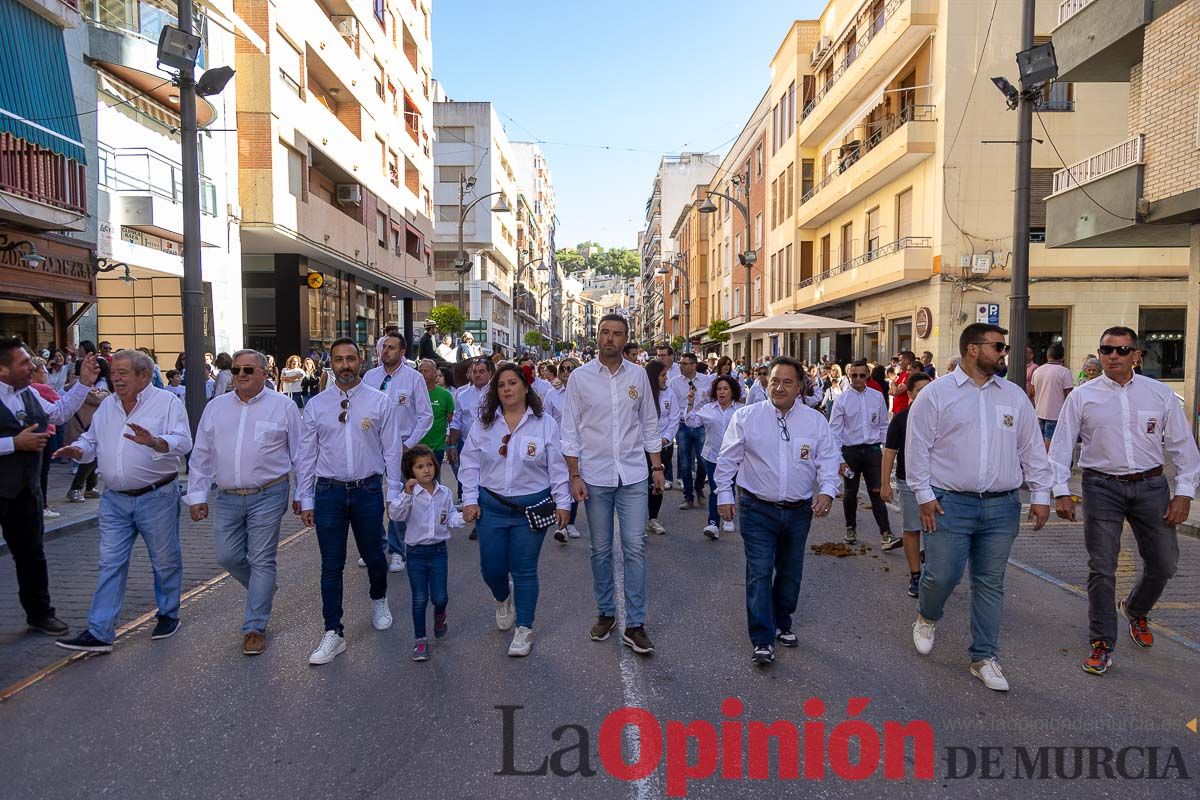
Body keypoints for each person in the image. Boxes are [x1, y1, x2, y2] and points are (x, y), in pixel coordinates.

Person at [906, 323, 1052, 691]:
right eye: (998, 346)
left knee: (990, 582)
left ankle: (983, 657)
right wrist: (924, 495)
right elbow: (917, 448)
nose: (1004, 353)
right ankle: (927, 615)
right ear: (973, 349)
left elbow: (1031, 447)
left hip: (1002, 506)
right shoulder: (937, 394)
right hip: (949, 504)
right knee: (942, 575)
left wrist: (1040, 494)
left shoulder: (1014, 396)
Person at [1049, 327, 1200, 676]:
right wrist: (1060, 491)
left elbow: (1183, 447)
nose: (1113, 356)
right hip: (1101, 488)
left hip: (1151, 486)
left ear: (1136, 355)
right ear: (1099, 354)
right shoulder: (1082, 397)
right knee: (1102, 567)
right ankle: (1102, 643)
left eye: (1122, 350)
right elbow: (1061, 447)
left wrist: (1183, 493)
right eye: (1106, 350)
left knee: (1164, 564)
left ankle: (1135, 608)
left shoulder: (1159, 395)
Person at [54, 349, 191, 653]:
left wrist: (155, 441)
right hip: (114, 500)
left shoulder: (166, 402)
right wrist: (77, 450)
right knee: (110, 563)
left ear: (144, 375)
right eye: (113, 373)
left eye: (123, 373)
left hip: (157, 496)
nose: (115, 378)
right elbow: (92, 441)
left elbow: (183, 441)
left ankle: (168, 613)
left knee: (164, 560)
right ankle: (100, 631)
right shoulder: (107, 407)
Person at [715, 356, 838, 664]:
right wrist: (723, 495)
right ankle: (762, 637)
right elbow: (727, 459)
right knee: (758, 571)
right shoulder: (746, 417)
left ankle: (783, 620)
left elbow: (828, 460)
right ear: (765, 383)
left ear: (800, 387)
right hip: (757, 508)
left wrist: (827, 491)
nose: (779, 387)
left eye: (787, 382)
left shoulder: (815, 421)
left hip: (798, 511)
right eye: (774, 381)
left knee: (790, 572)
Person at [185, 349, 301, 655]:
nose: (240, 376)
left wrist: (304, 495)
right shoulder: (216, 408)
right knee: (227, 557)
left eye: (248, 370)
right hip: (226, 497)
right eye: (236, 370)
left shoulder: (284, 407)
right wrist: (196, 495)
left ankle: (254, 627)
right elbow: (201, 454)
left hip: (269, 493)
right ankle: (263, 587)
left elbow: (301, 457)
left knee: (262, 559)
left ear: (264, 373)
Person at [296, 338, 404, 666]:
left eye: (351, 359)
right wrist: (305, 496)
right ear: (331, 363)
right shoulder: (317, 405)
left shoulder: (379, 401)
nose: (345, 365)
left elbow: (392, 449)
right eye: (339, 360)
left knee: (373, 554)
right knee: (331, 564)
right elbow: (306, 454)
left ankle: (378, 598)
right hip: (328, 492)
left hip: (368, 491)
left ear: (361, 361)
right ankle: (333, 631)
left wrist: (394, 491)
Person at [561, 314, 664, 655]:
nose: (609, 339)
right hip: (594, 475)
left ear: (626, 340)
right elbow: (570, 430)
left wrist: (658, 467)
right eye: (604, 332)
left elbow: (649, 423)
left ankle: (635, 624)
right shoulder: (579, 378)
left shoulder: (638, 376)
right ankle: (606, 612)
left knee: (635, 546)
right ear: (597, 336)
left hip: (633, 474)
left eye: (616, 334)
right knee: (601, 549)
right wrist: (574, 475)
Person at [458, 362, 571, 657]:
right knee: (491, 568)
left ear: (525, 387)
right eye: (501, 385)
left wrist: (563, 502)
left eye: (512, 383)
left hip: (531, 510)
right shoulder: (484, 424)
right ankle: (501, 597)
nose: (507, 389)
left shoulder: (545, 423)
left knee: (524, 570)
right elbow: (469, 463)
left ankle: (524, 627)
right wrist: (469, 499)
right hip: (491, 509)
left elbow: (557, 467)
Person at [0, 339, 99, 636]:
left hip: (25, 491)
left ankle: (40, 613)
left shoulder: (28, 392)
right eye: (24, 363)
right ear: (2, 369)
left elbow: (57, 413)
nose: (32, 367)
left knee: (32, 554)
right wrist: (13, 444)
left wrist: (83, 383)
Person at [362, 332, 434, 571]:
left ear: (402, 352)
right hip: (373, 447)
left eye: (391, 348)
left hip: (402, 448)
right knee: (371, 500)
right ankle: (374, 546)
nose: (385, 351)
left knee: (399, 499)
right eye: (383, 347)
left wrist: (408, 445)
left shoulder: (414, 378)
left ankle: (396, 550)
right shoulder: (370, 377)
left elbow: (426, 416)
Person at [389, 444, 464, 662]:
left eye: (429, 465)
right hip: (415, 554)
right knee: (420, 598)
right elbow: (395, 515)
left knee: (441, 597)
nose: (426, 470)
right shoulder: (410, 495)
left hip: (439, 551)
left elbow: (450, 517)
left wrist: (464, 518)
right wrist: (406, 494)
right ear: (411, 471)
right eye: (420, 467)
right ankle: (420, 639)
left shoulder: (444, 493)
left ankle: (440, 615)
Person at [829, 359, 896, 549]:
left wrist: (887, 449)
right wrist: (839, 460)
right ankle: (850, 528)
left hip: (873, 451)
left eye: (862, 375)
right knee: (850, 492)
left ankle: (886, 534)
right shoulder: (841, 400)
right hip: (850, 452)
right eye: (854, 375)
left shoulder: (876, 396)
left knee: (877, 491)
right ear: (849, 376)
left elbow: (884, 425)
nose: (858, 379)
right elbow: (834, 432)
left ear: (867, 375)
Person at [879, 371, 934, 598]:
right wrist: (885, 484)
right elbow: (889, 453)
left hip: (939, 484)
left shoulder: (942, 417)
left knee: (936, 531)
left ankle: (931, 568)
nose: (925, 395)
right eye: (920, 391)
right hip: (908, 482)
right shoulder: (901, 419)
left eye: (928, 390)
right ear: (910, 393)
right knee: (912, 529)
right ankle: (915, 576)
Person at [684, 375, 744, 540]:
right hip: (713, 456)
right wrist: (690, 403)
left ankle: (728, 519)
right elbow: (691, 422)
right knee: (716, 488)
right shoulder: (708, 409)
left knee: (730, 486)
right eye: (719, 389)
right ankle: (713, 523)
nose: (722, 392)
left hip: (734, 457)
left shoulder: (740, 410)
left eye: (725, 389)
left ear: (733, 391)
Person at [448, 357, 495, 515]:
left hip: (491, 446)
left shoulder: (497, 394)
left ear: (490, 373)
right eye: (475, 372)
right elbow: (456, 422)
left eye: (482, 372)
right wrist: (452, 445)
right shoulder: (463, 395)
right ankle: (475, 510)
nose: (478, 375)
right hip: (468, 445)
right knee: (471, 478)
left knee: (488, 482)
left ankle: (486, 513)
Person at [668, 352, 713, 511]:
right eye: (680, 363)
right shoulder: (674, 383)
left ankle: (699, 487)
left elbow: (711, 401)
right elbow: (672, 406)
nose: (680, 366)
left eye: (684, 363)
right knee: (685, 463)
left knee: (703, 461)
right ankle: (688, 496)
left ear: (694, 365)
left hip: (701, 425)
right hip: (683, 426)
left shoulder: (706, 381)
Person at [65, 357, 111, 503]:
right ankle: (75, 488)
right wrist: (104, 391)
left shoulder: (89, 384)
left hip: (90, 425)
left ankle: (90, 487)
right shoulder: (80, 384)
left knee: (94, 456)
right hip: (82, 426)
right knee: (88, 458)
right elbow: (98, 399)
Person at [547, 357, 582, 542]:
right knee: (560, 482)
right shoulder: (552, 394)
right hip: (558, 444)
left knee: (573, 480)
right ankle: (560, 523)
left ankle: (570, 523)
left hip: (579, 445)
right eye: (564, 369)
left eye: (571, 368)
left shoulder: (585, 392)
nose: (567, 371)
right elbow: (545, 419)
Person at [644, 360, 680, 535]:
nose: (666, 379)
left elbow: (674, 419)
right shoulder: (644, 395)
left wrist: (665, 439)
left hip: (663, 447)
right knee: (642, 485)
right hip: (643, 448)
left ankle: (652, 518)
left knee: (658, 485)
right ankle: (638, 520)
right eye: (663, 375)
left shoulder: (669, 394)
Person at [28, 358, 62, 520]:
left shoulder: (29, 389)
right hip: (46, 432)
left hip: (37, 432)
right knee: (42, 471)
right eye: (44, 370)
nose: (47, 374)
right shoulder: (40, 388)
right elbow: (62, 407)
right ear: (35, 373)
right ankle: (42, 506)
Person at [1030, 342, 1074, 447]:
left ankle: (1040, 460)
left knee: (1039, 440)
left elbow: (1032, 391)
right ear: (1062, 357)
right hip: (1056, 414)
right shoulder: (1064, 372)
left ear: (1047, 356)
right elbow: (1069, 394)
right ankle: (1047, 462)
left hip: (1039, 411)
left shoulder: (1037, 371)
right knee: (1050, 441)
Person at [418, 358, 454, 474]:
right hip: (415, 446)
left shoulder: (445, 395)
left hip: (436, 447)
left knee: (433, 481)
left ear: (434, 373)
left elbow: (452, 421)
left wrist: (451, 445)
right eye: (420, 371)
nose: (422, 374)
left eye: (426, 371)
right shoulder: (412, 394)